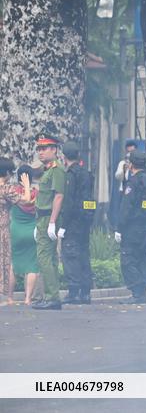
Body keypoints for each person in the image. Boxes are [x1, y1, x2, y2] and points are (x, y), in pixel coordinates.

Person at [115, 151, 146, 304]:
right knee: (142, 259)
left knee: (128, 260)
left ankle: (136, 292)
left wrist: (119, 228)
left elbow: (126, 207)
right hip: (145, 227)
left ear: (131, 164)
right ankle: (142, 293)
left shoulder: (133, 182)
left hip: (131, 228)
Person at [33, 132, 66, 310]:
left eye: (44, 148)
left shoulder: (57, 169)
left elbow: (59, 196)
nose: (41, 152)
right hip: (43, 217)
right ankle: (51, 296)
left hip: (48, 217)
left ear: (54, 149)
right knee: (50, 258)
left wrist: (52, 221)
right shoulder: (48, 169)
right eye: (39, 148)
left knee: (44, 257)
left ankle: (52, 297)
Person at [59, 142, 95, 304]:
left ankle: (73, 292)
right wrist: (88, 218)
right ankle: (86, 293)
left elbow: (69, 203)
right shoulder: (87, 174)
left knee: (70, 256)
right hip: (85, 222)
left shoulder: (71, 175)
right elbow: (90, 201)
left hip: (73, 223)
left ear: (64, 157)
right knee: (83, 255)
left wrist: (63, 226)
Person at [11, 166, 39, 304]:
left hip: (15, 230)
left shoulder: (13, 191)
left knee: (12, 264)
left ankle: (10, 297)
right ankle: (28, 298)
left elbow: (23, 200)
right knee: (32, 265)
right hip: (32, 231)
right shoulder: (36, 193)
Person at [0, 158, 18, 305]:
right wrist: (25, 185)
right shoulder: (6, 188)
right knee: (4, 262)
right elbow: (24, 200)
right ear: (6, 173)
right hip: (2, 231)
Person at [112, 139, 138, 229]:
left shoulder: (139, 163)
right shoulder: (123, 163)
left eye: (132, 151)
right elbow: (117, 176)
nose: (130, 154)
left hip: (135, 190)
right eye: (128, 151)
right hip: (123, 190)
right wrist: (125, 169)